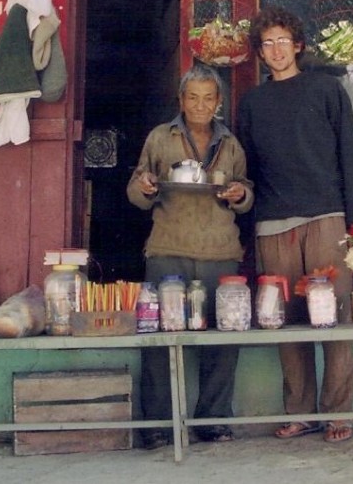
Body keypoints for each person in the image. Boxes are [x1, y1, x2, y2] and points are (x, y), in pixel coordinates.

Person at [237, 6, 353, 444]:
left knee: (333, 316)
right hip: (273, 223)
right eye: (266, 43)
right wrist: (245, 227)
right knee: (286, 321)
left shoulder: (326, 89)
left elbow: (350, 155)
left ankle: (336, 413)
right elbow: (248, 169)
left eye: (282, 41)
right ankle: (300, 412)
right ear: (259, 52)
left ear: (298, 45)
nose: (275, 50)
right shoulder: (253, 102)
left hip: (326, 217)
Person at [127, 64, 253, 450]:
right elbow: (136, 190)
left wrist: (238, 194)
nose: (200, 105)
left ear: (218, 102)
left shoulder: (231, 144)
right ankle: (158, 424)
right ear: (181, 100)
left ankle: (212, 420)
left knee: (222, 338)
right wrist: (146, 185)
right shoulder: (160, 138)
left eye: (208, 98)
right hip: (168, 248)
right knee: (161, 339)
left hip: (220, 252)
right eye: (192, 97)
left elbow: (247, 194)